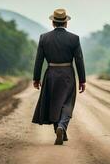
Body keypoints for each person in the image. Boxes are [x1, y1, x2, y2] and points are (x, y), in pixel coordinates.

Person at [31, 8, 86, 145]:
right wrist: (82, 80)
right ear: (66, 23)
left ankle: (59, 130)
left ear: (53, 23)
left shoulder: (44, 38)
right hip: (67, 73)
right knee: (67, 103)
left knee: (54, 103)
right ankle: (62, 126)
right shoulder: (74, 38)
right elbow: (79, 60)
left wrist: (36, 78)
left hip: (51, 74)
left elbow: (39, 60)